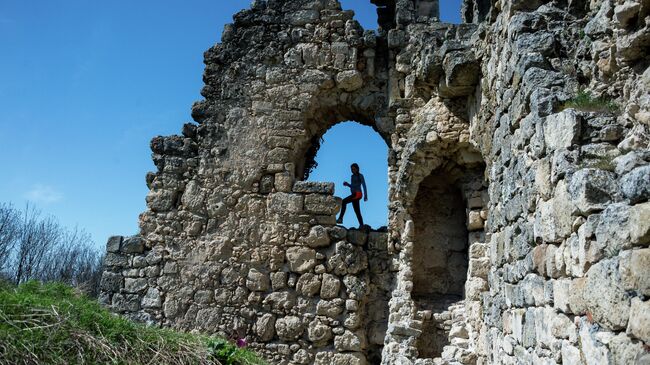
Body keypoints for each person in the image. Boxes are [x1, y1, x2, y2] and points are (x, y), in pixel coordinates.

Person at [337, 163, 367, 228]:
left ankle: (340, 218)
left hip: (358, 194)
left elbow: (364, 185)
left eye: (353, 169)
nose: (352, 170)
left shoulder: (360, 176)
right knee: (357, 210)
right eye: (351, 169)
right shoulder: (352, 176)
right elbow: (353, 186)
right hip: (354, 194)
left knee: (344, 201)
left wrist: (365, 196)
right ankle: (361, 225)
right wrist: (348, 184)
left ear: (357, 169)